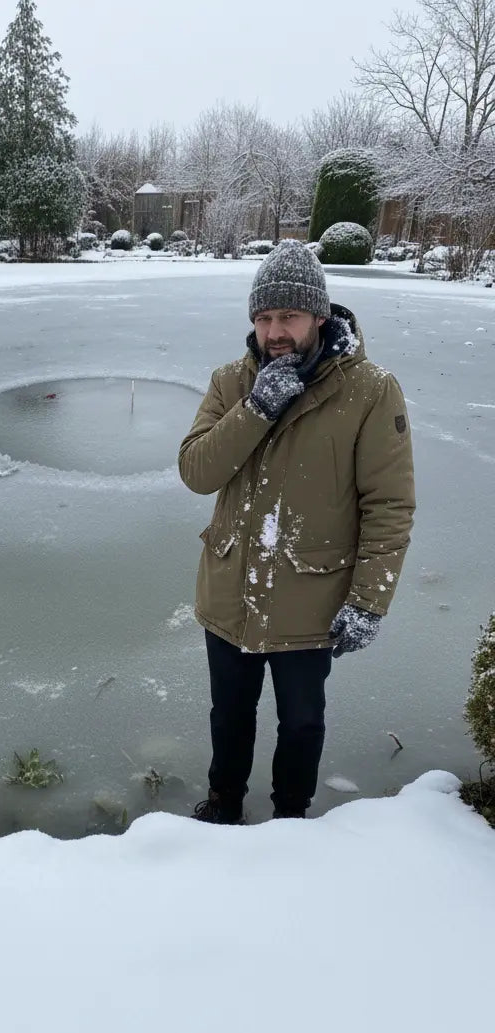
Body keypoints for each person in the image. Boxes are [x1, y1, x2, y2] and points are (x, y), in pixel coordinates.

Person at [178, 240, 415, 823]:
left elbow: (389, 504)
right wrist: (256, 409)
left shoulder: (369, 390)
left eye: (289, 316)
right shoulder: (231, 382)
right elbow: (197, 471)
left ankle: (291, 820)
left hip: (312, 596)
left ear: (320, 316)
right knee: (229, 714)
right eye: (263, 318)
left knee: (303, 720)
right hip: (231, 588)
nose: (274, 331)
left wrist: (369, 600)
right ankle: (223, 806)